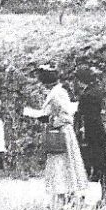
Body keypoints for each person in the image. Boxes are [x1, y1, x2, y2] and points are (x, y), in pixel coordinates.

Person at [30, 65, 87, 202]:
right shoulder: (55, 92)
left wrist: (52, 120)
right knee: (59, 163)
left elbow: (67, 116)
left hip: (62, 132)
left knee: (63, 163)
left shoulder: (58, 93)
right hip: (57, 130)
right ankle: (63, 193)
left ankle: (68, 193)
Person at [74, 66, 106, 207]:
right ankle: (105, 194)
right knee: (101, 163)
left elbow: (81, 114)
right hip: (99, 132)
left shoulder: (86, 95)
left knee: (85, 164)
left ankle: (85, 197)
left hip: (89, 133)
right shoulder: (98, 91)